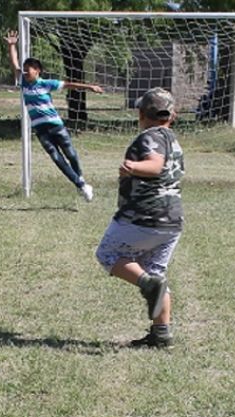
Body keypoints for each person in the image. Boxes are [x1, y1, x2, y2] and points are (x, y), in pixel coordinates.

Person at [95, 87, 185, 348]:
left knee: (107, 255)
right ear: (173, 116)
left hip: (144, 217)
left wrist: (133, 167)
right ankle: (161, 334)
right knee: (157, 271)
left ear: (141, 113)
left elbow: (155, 165)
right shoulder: (173, 139)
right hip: (172, 221)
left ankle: (148, 285)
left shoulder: (150, 137)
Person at [4, 30, 102, 202]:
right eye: (24, 70)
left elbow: (69, 85)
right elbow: (14, 64)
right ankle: (81, 185)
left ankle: (81, 180)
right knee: (56, 157)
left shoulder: (46, 84)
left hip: (56, 125)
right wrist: (12, 45)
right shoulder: (23, 83)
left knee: (70, 154)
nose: (25, 73)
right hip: (40, 129)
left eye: (29, 70)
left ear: (38, 71)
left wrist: (89, 87)